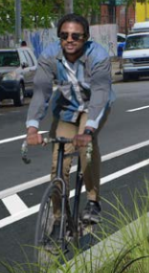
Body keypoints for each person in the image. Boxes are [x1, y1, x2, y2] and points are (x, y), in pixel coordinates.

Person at [26, 13, 114, 228]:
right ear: (59, 37)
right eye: (64, 35)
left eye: (76, 36)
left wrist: (89, 130)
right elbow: (41, 92)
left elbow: (101, 93)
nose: (70, 40)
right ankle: (59, 218)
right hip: (66, 110)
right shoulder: (49, 56)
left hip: (93, 107)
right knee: (59, 162)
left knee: (86, 147)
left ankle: (93, 201)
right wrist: (32, 127)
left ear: (85, 38)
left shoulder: (99, 56)